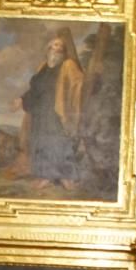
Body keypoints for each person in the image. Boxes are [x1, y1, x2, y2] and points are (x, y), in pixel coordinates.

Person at [10, 28, 85, 189]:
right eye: (54, 45)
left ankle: (67, 177)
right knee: (41, 143)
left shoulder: (68, 65)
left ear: (63, 51)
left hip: (57, 112)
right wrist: (21, 100)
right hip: (40, 113)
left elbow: (78, 83)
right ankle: (46, 176)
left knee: (60, 143)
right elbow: (34, 89)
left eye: (60, 46)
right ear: (48, 49)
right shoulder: (42, 67)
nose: (56, 49)